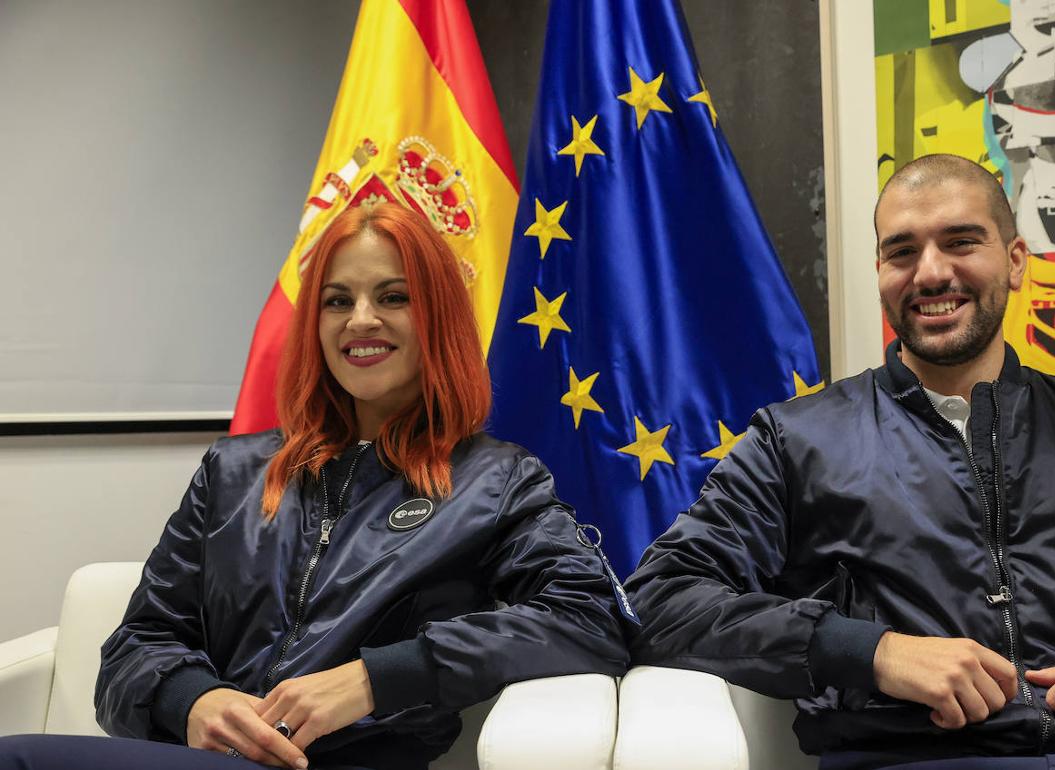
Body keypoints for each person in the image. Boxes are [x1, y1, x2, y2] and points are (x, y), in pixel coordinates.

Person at [624, 154, 1055, 769]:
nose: (930, 273)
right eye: (902, 251)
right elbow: (660, 597)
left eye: (961, 241)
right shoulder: (794, 442)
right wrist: (871, 652)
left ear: (1015, 261)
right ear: (879, 272)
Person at [0, 202, 629, 770]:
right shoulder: (233, 472)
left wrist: (374, 679)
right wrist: (195, 700)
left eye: (393, 297)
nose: (361, 320)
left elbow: (591, 618)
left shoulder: (496, 482)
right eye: (337, 300)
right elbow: (139, 642)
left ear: (437, 315)